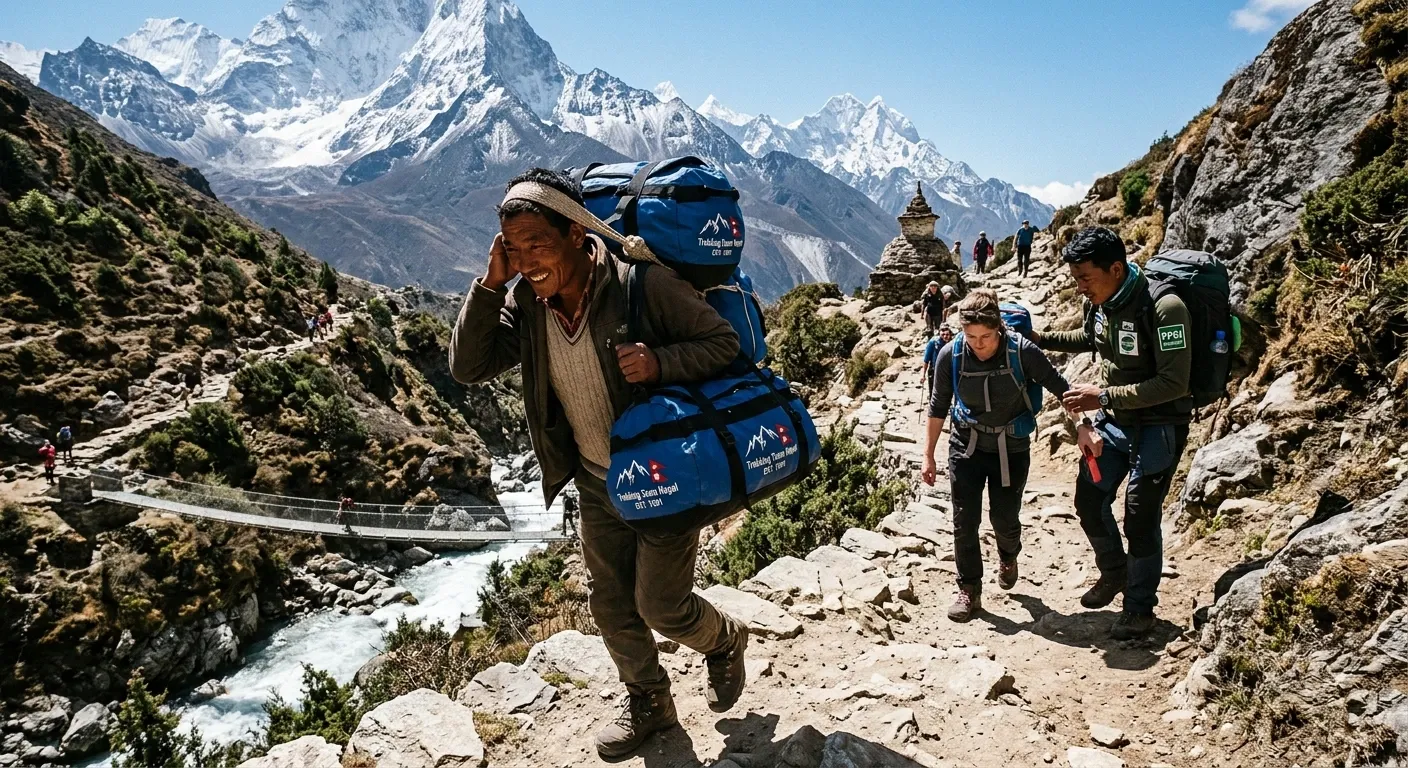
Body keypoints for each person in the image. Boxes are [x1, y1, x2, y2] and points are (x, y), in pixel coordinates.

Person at [450, 168, 749, 758]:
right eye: (515, 248)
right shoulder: (528, 305)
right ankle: (650, 703)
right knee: (612, 605)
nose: (528, 260)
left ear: (578, 234)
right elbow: (468, 364)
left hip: (663, 475)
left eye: (539, 243)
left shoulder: (641, 284)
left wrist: (660, 363)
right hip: (596, 478)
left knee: (662, 606)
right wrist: (489, 285)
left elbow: (722, 344)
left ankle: (723, 638)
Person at [1031, 226, 1193, 640]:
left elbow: (1174, 383)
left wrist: (1102, 396)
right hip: (1118, 423)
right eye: (1075, 278)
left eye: (1086, 277)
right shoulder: (1103, 304)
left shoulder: (1165, 308)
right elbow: (1090, 338)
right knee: (1089, 499)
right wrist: (1039, 338)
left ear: (1116, 268)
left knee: (1139, 516)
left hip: (1158, 427)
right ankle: (1115, 572)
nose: (1080, 287)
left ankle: (1139, 609)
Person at [922, 289, 1075, 622]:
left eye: (986, 336)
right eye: (971, 336)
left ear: (1000, 329)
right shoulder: (951, 355)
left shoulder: (1023, 352)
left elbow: (1059, 385)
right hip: (967, 445)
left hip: (1011, 446)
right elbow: (937, 406)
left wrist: (1086, 427)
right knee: (964, 521)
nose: (978, 344)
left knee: (1004, 519)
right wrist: (929, 455)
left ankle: (1008, 554)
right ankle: (969, 589)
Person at [920, 324, 955, 396]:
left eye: (947, 334)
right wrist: (923, 375)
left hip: (949, 370)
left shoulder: (953, 343)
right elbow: (926, 359)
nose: (945, 336)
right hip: (934, 370)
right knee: (934, 392)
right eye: (943, 334)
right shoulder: (933, 342)